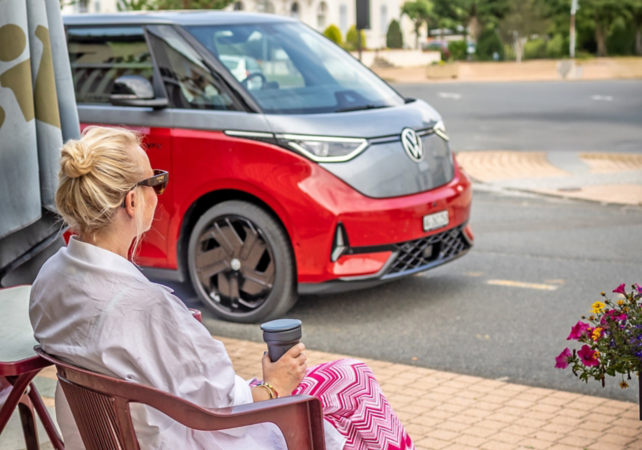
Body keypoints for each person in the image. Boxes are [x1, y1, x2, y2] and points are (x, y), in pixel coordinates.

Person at [29, 126, 415, 450]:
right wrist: (274, 386)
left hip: (116, 435)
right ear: (132, 200)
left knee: (346, 379)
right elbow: (224, 407)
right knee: (354, 385)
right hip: (199, 435)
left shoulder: (51, 278)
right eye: (156, 182)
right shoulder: (144, 307)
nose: (158, 193)